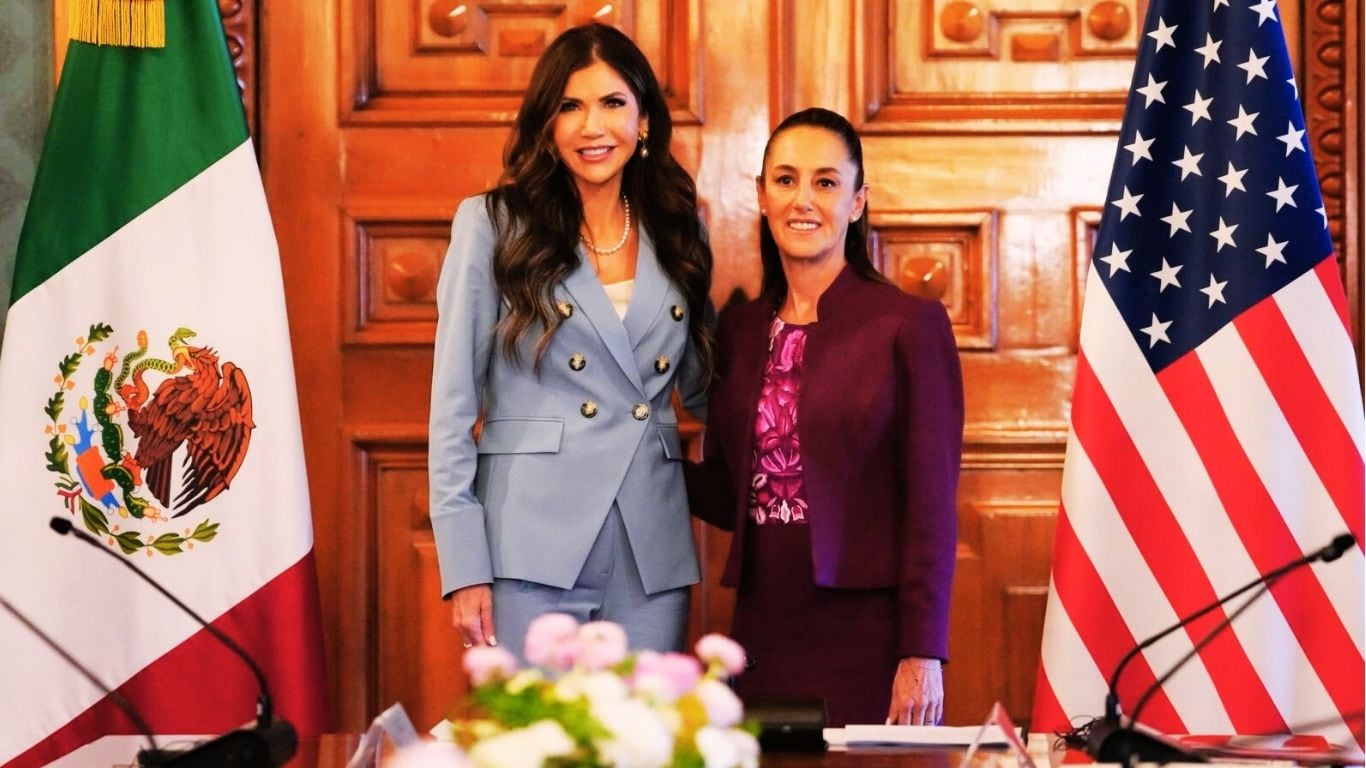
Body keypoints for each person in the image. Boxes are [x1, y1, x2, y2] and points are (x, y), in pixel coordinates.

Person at [428, 23, 713, 660]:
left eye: (613, 103)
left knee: (643, 752)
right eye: (570, 106)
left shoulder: (678, 230)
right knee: (542, 754)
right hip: (531, 543)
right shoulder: (495, 224)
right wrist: (464, 563)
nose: (593, 126)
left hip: (650, 548)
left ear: (642, 121)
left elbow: (704, 383)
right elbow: (451, 405)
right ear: (547, 124)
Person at [686, 108, 963, 726]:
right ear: (761, 197)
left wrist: (922, 653)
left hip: (867, 633)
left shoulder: (909, 325)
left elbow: (932, 506)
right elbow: (736, 488)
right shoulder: (739, 330)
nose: (802, 200)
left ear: (858, 201)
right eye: (785, 180)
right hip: (761, 627)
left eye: (826, 182)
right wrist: (632, 452)